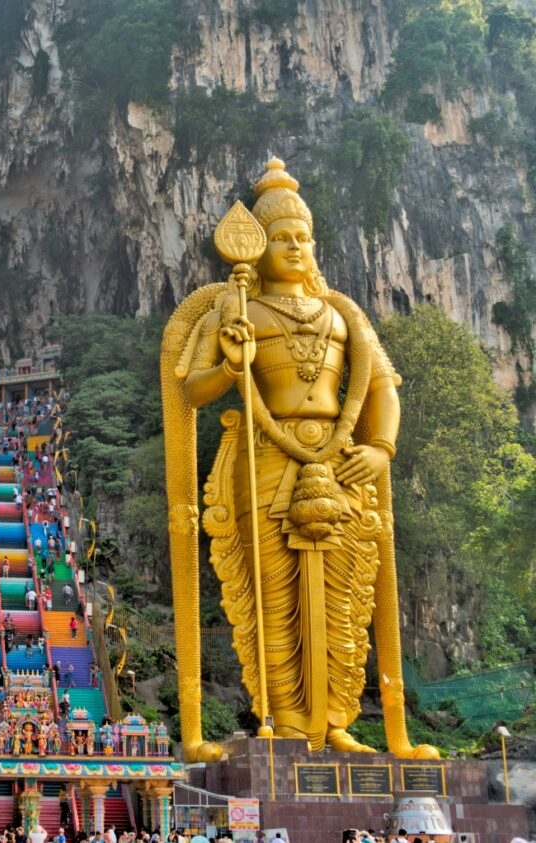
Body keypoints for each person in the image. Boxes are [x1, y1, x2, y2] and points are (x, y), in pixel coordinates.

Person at [162, 157, 438, 762]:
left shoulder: (342, 312)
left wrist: (380, 447)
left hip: (341, 460)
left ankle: (338, 721)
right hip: (264, 454)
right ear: (256, 248)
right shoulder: (235, 310)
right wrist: (232, 364)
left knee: (345, 593)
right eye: (281, 238)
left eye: (302, 237)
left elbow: (383, 387)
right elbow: (189, 390)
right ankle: (284, 723)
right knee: (273, 597)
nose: (294, 246)